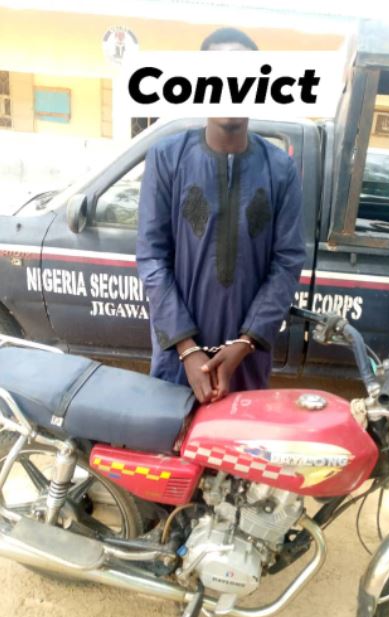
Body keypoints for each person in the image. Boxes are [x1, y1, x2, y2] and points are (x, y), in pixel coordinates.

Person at [137, 27, 305, 404]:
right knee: (174, 441)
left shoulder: (280, 170)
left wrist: (245, 344)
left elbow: (287, 262)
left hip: (246, 362)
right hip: (177, 361)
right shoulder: (167, 158)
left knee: (239, 443)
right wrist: (187, 350)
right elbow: (152, 257)